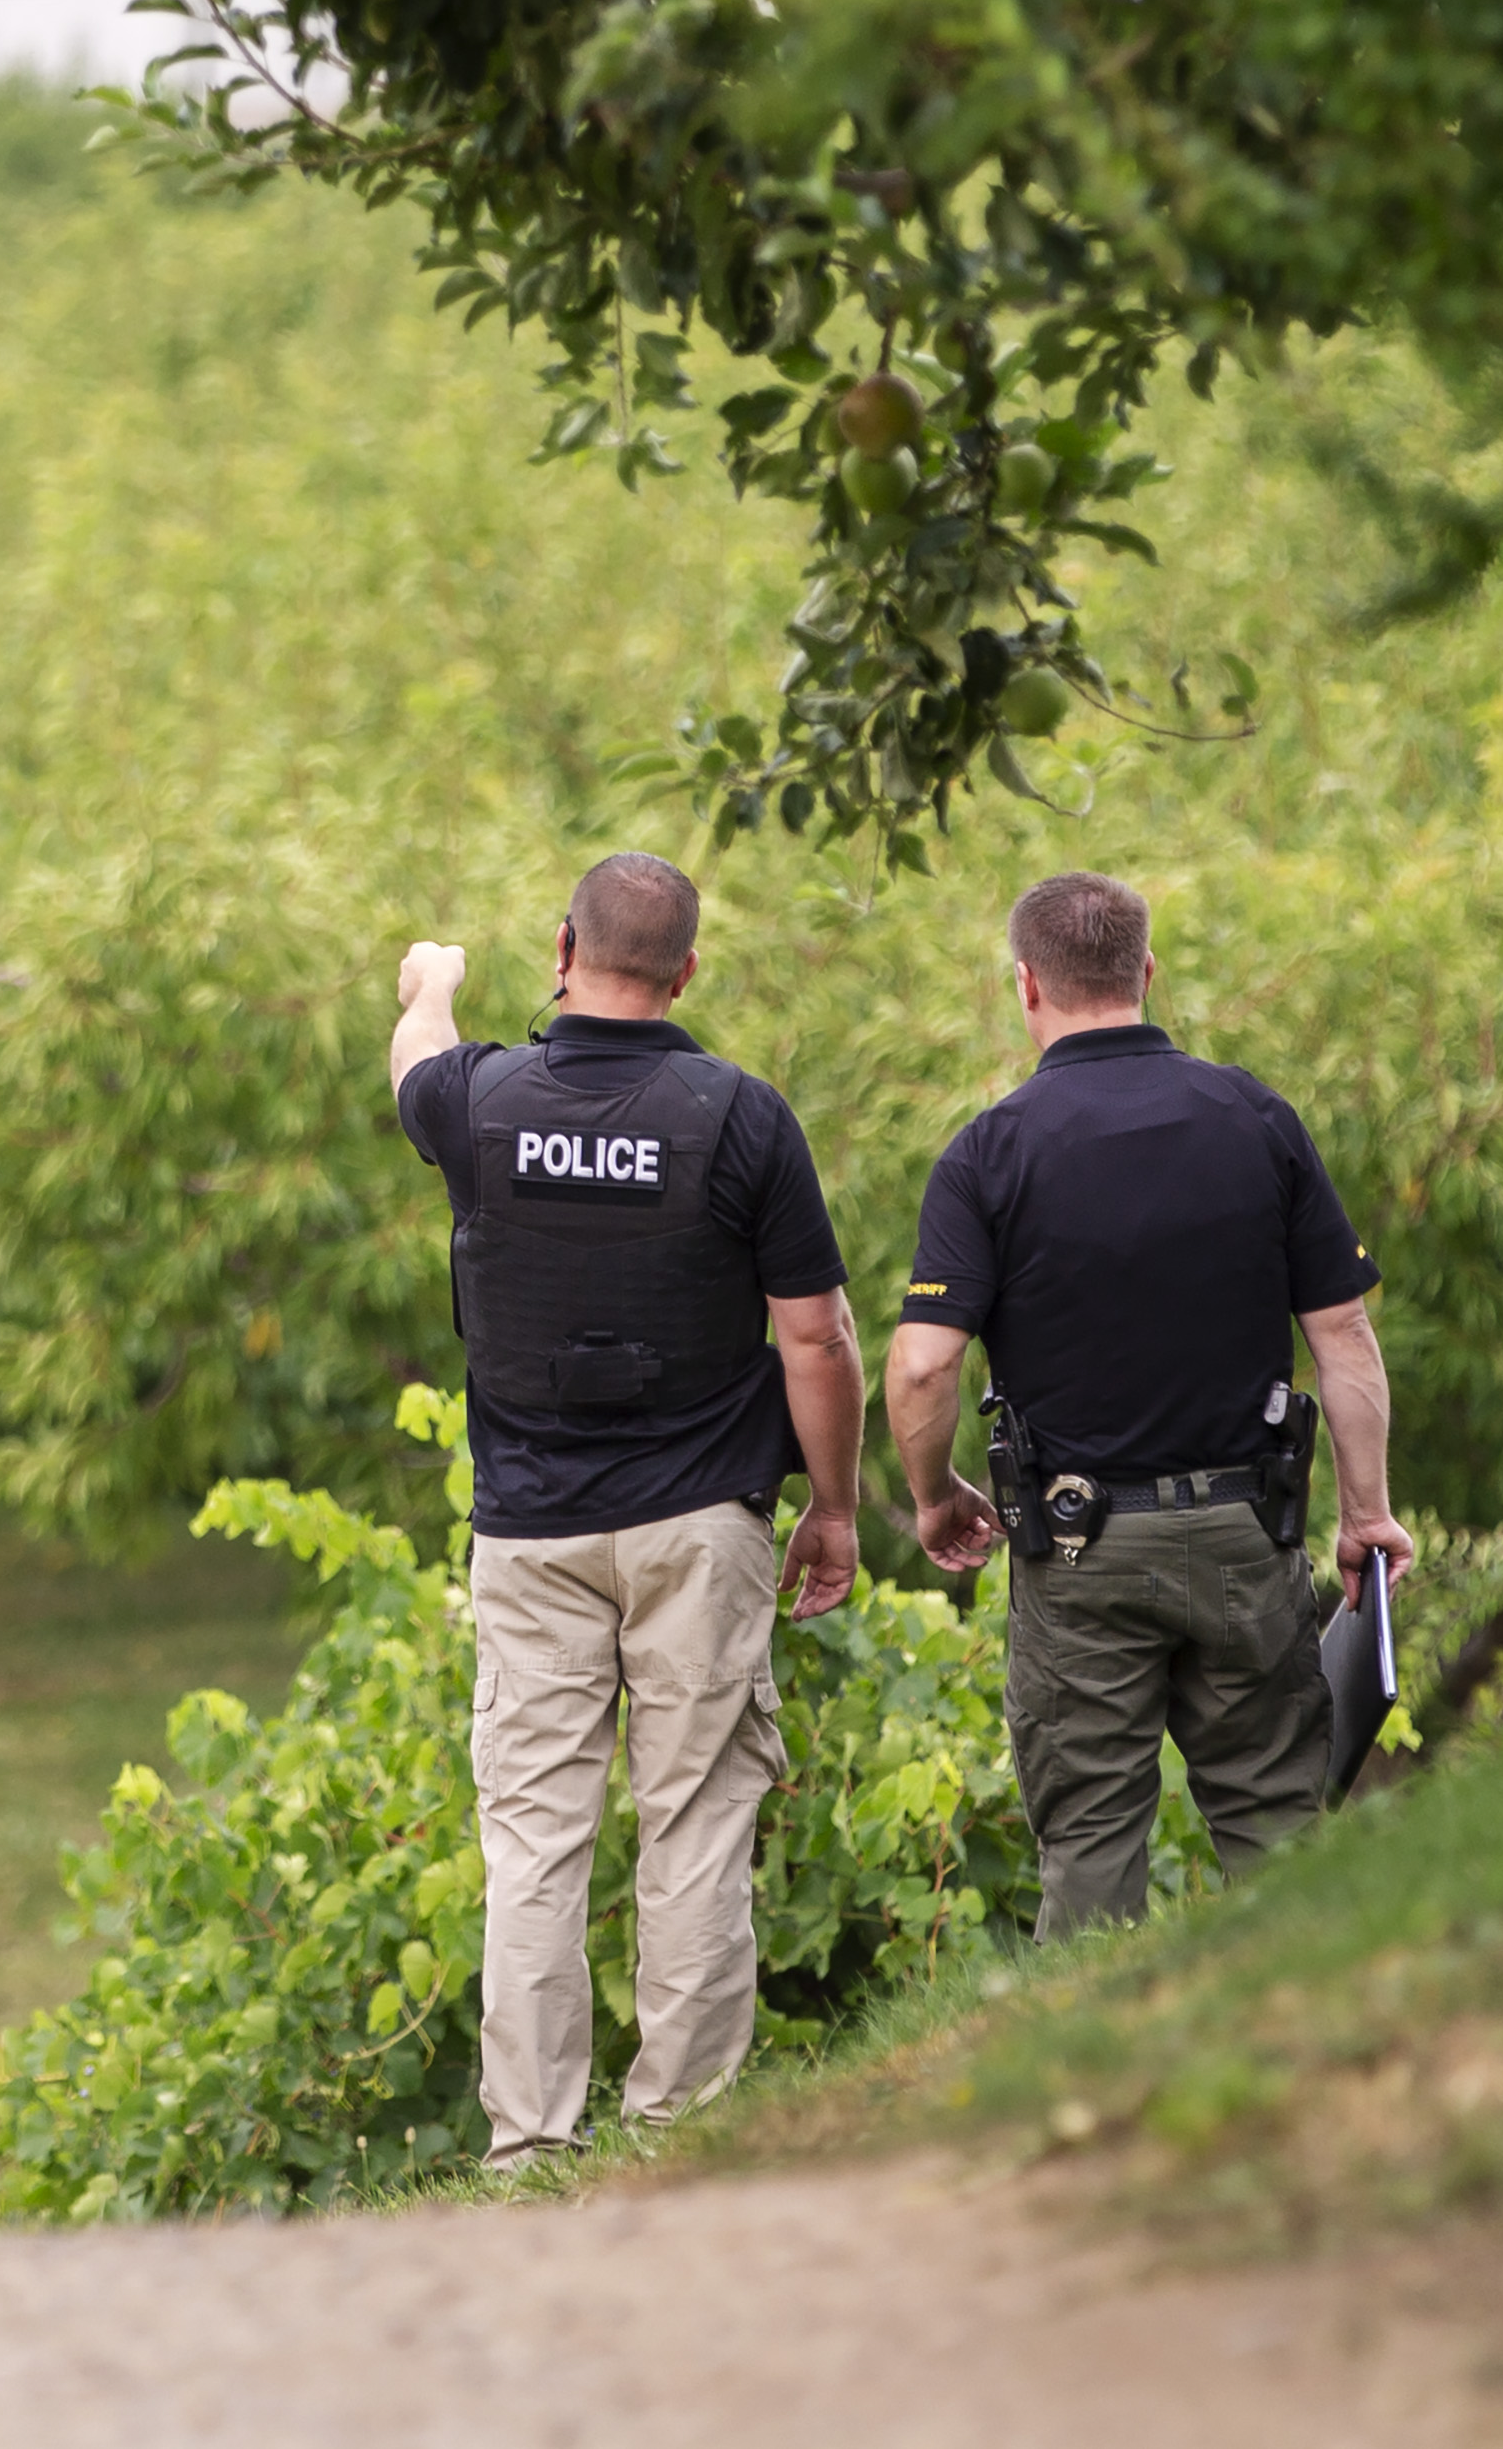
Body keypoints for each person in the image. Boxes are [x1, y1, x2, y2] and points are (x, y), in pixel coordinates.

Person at [388, 852, 866, 2163]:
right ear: (689, 971)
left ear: (563, 947)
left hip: (530, 1531)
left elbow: (413, 1057)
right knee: (697, 1820)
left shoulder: (481, 1100)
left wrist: (433, 978)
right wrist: (835, 1505)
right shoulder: (741, 1117)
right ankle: (679, 2137)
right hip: (700, 1526)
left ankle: (531, 2145)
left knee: (535, 1841)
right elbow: (816, 1337)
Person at [882, 870, 1413, 1938]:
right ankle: (1325, 2046)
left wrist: (935, 1495)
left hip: (1080, 1549)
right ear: (1147, 972)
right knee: (1281, 1826)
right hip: (1244, 1534)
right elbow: (1344, 1337)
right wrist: (1366, 1514)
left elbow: (924, 1367)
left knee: (1089, 1849)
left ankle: (1089, 2080)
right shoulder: (1258, 1118)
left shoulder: (989, 1150)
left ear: (1024, 984)